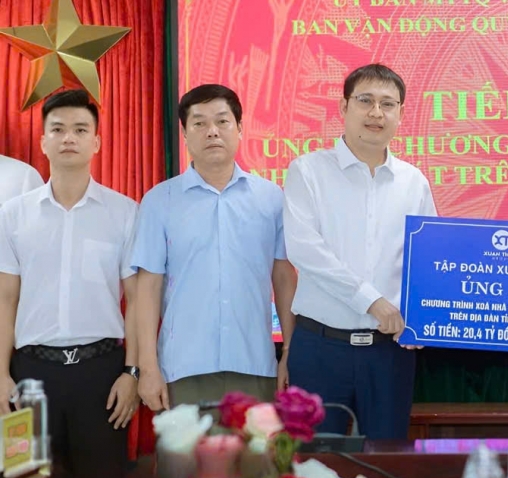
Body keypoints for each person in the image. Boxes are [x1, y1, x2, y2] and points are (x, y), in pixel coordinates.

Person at [283, 63, 436, 440]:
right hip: (321, 347)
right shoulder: (307, 171)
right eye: (365, 100)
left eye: (388, 104)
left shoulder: (413, 182)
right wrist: (373, 302)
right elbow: (305, 251)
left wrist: (420, 315)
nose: (376, 113)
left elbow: (428, 260)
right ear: (344, 107)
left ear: (401, 113)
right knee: (317, 462)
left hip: (389, 353)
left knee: (386, 461)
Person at [0, 89, 139, 478]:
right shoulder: (12, 215)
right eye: (58, 129)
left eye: (80, 129)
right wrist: (1, 374)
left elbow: (137, 301)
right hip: (29, 375)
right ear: (43, 141)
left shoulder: (124, 212)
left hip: (101, 375)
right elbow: (5, 299)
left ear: (96, 142)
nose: (68, 138)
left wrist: (131, 372)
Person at [133, 84, 296, 413]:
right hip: (183, 368)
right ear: (184, 133)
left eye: (222, 121)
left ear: (239, 128)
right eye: (199, 123)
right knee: (185, 450)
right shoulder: (159, 201)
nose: (212, 132)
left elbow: (284, 279)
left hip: (254, 365)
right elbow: (147, 288)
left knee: (257, 449)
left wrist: (290, 353)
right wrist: (147, 367)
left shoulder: (271, 198)